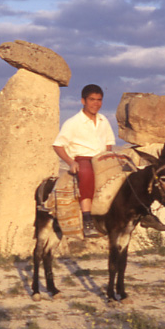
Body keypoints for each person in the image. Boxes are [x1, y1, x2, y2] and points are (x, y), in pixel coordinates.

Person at [52, 84, 115, 238]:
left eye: (99, 100)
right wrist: (71, 162)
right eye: (92, 99)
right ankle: (87, 219)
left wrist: (108, 159)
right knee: (86, 173)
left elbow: (108, 143)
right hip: (83, 158)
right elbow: (58, 145)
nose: (96, 103)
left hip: (101, 157)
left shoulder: (103, 120)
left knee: (125, 171)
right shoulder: (73, 122)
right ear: (83, 101)